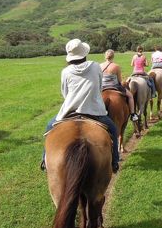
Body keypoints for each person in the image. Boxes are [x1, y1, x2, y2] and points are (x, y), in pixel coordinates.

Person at [42, 39, 120, 173]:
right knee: (113, 129)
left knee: (49, 127)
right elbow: (99, 86)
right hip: (95, 112)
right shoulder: (95, 66)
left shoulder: (65, 71)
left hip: (70, 111)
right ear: (84, 53)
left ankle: (45, 160)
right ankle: (114, 162)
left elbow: (65, 93)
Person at [100, 50, 139, 122]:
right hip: (115, 86)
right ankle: (133, 114)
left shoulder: (100, 65)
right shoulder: (116, 66)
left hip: (102, 87)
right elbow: (120, 81)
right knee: (130, 96)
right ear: (113, 56)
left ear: (105, 56)